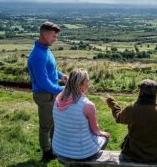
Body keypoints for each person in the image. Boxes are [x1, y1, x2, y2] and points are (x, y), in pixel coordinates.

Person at [103, 79, 157, 163]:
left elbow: (118, 118)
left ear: (140, 92)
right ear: (156, 93)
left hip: (132, 154)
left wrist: (111, 102)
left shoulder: (131, 108)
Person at [27, 21, 67, 161]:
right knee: (46, 126)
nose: (55, 39)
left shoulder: (45, 50)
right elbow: (44, 83)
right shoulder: (38, 55)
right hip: (44, 95)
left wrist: (62, 76)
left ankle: (55, 147)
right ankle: (47, 153)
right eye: (53, 36)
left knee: (53, 122)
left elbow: (51, 70)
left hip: (50, 93)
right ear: (44, 33)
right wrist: (62, 89)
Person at [52, 68, 110, 160]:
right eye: (87, 81)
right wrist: (102, 133)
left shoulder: (58, 100)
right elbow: (95, 130)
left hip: (59, 150)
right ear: (79, 84)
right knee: (106, 138)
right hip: (81, 153)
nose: (88, 84)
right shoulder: (87, 105)